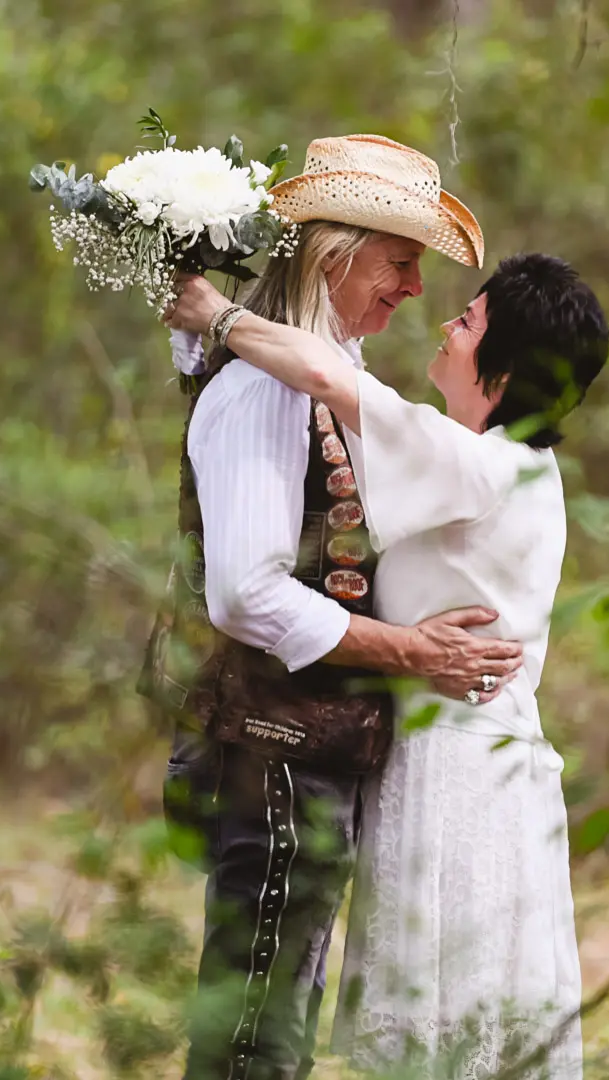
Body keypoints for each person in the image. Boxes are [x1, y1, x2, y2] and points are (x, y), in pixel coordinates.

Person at [162, 252, 609, 1079]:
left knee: (452, 1019)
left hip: (462, 771)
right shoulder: (483, 462)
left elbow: (328, 376)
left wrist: (214, 314)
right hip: (441, 751)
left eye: (468, 322)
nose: (445, 322)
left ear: (503, 373)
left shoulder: (484, 466)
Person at [146, 134, 522, 1080]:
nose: (410, 289)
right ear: (335, 250)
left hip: (306, 748)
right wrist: (411, 649)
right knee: (254, 1032)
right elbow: (246, 592)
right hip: (272, 749)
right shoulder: (264, 394)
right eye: (399, 261)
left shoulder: (317, 371)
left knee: (278, 1020)